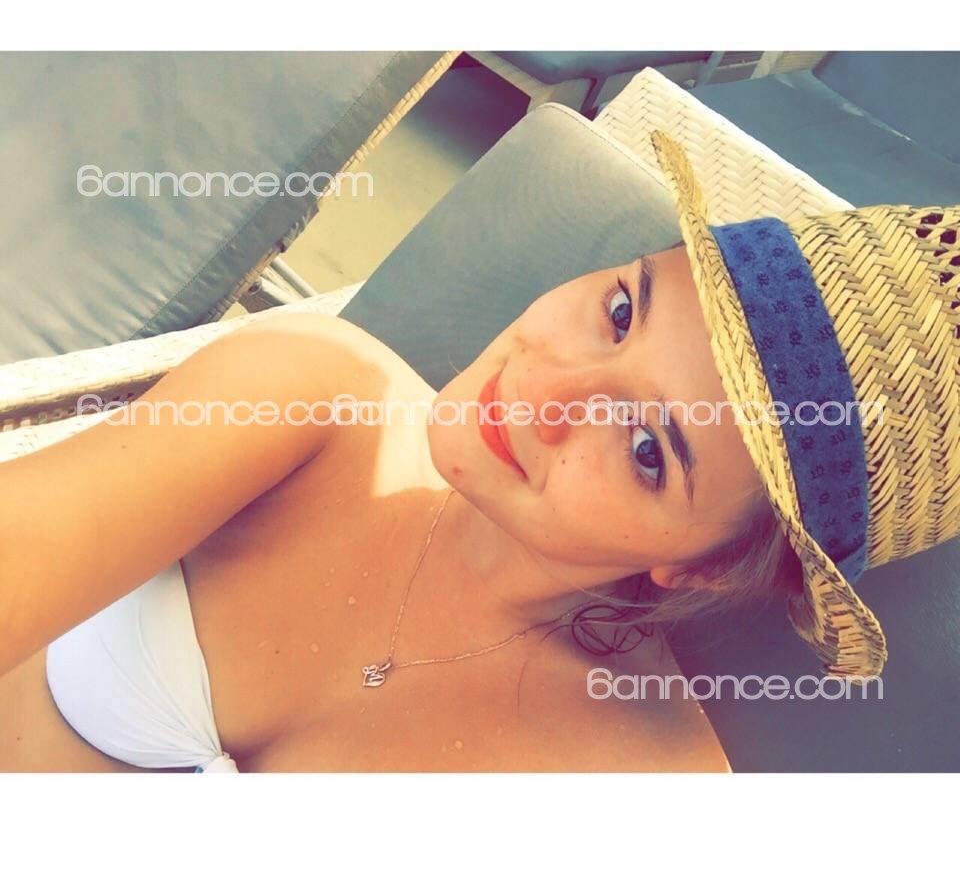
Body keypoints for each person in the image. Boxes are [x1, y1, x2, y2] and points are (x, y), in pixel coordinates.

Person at [1, 132, 957, 771]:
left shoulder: (634, 796)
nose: (547, 390)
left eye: (646, 450)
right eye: (620, 310)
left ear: (706, 563)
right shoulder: (314, 397)